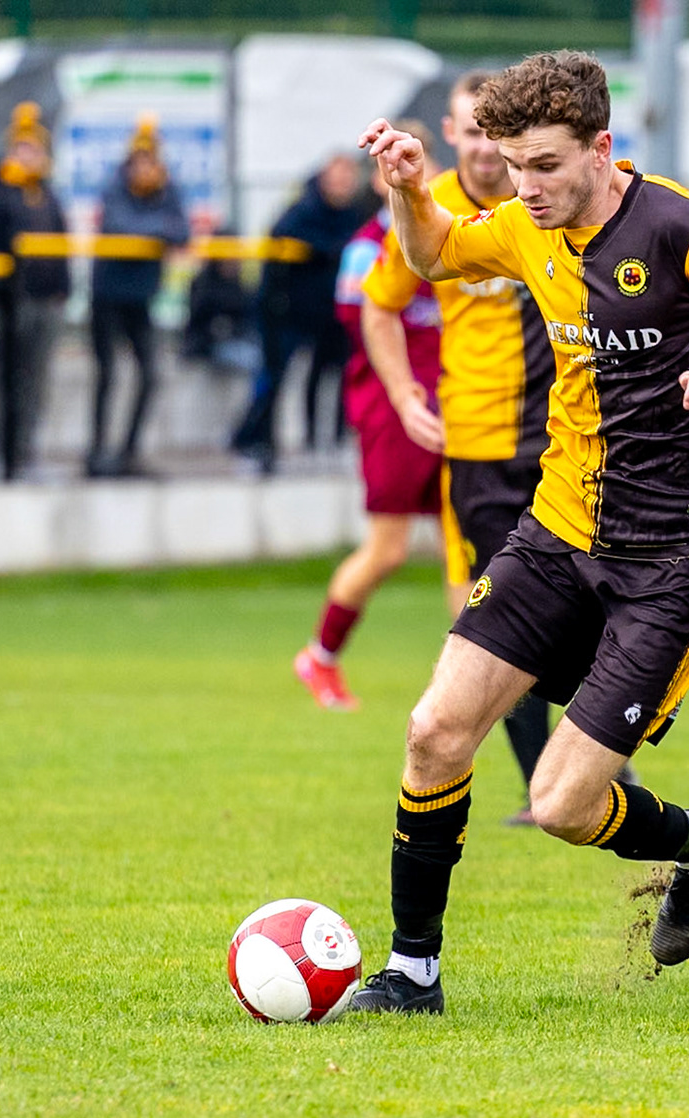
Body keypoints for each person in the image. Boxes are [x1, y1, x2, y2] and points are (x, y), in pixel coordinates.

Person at [347, 50, 689, 1014]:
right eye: (511, 166)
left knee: (561, 807)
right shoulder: (516, 224)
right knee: (433, 732)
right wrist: (411, 191)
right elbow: (431, 256)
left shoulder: (687, 225)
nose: (527, 188)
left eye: (546, 165)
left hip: (679, 554)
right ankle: (413, 972)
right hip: (555, 532)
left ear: (602, 146)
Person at [358, 71, 560, 822]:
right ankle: (548, 786)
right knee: (498, 615)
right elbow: (379, 308)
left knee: (587, 605)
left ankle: (583, 765)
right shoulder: (424, 205)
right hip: (476, 448)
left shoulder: (551, 194)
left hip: (566, 440)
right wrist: (406, 396)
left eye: (493, 132)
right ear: (451, 132)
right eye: (469, 131)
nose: (482, 147)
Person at [292, 124, 446, 714]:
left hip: (457, 404)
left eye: (417, 160)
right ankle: (320, 655)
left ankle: (479, 685)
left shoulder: (449, 232)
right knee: (387, 549)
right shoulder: (369, 244)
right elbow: (358, 320)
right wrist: (403, 393)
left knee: (470, 548)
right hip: (393, 409)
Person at [229, 154, 370, 474]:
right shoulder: (304, 209)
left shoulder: (353, 214)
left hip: (328, 315)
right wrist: (329, 250)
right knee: (272, 378)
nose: (342, 185)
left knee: (332, 377)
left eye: (347, 179)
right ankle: (253, 439)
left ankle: (326, 440)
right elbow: (283, 238)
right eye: (336, 178)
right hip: (284, 312)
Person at [86, 115, 191, 478]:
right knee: (107, 375)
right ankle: (96, 452)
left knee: (150, 373)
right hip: (108, 295)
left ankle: (128, 452)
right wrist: (158, 230)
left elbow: (183, 231)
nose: (145, 168)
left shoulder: (167, 188)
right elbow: (118, 224)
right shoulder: (116, 185)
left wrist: (155, 229)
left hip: (140, 297)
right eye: (140, 161)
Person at [0, 101, 67, 481]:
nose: (29, 156)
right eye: (22, 148)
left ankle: (26, 454)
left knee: (35, 381)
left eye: (35, 148)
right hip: (9, 304)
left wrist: (62, 290)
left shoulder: (46, 194)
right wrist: (1, 292)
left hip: (45, 302)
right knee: (2, 380)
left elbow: (60, 245)